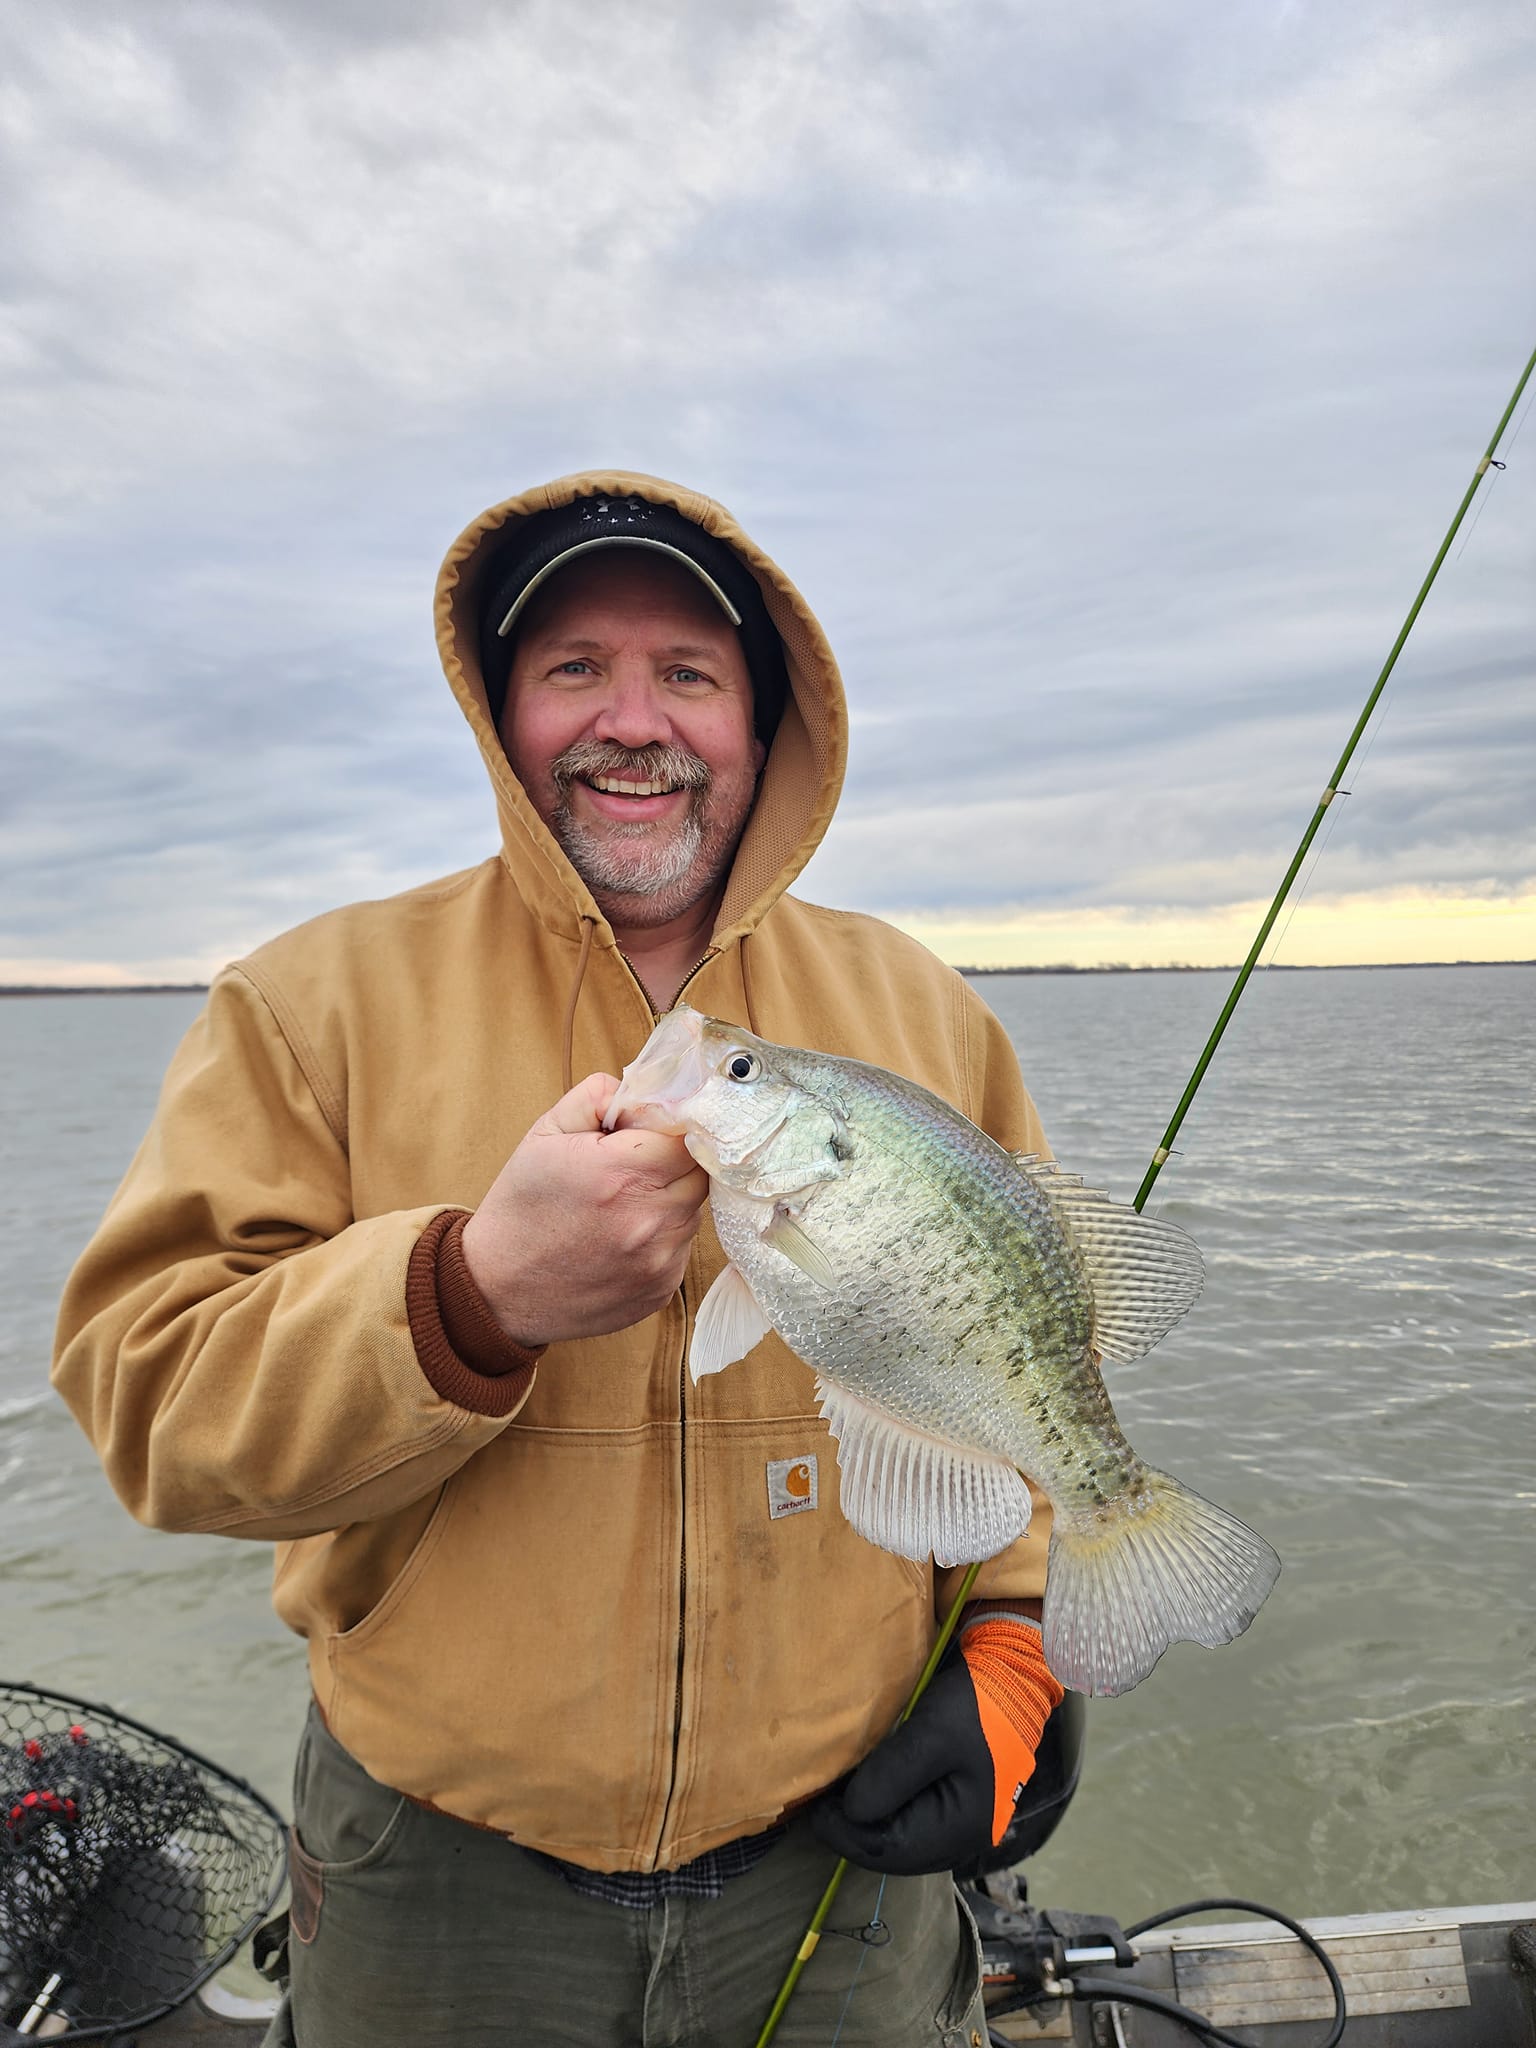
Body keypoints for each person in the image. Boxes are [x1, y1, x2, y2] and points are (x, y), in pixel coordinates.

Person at [52, 473, 1066, 2047]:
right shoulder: (308, 1003)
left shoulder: (924, 1013)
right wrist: (467, 1299)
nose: (632, 721)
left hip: (838, 1863)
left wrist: (1010, 1645)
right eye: (574, 667)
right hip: (436, 1872)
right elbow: (153, 1413)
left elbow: (1022, 1357)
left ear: (765, 722)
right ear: (501, 715)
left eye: (690, 674)